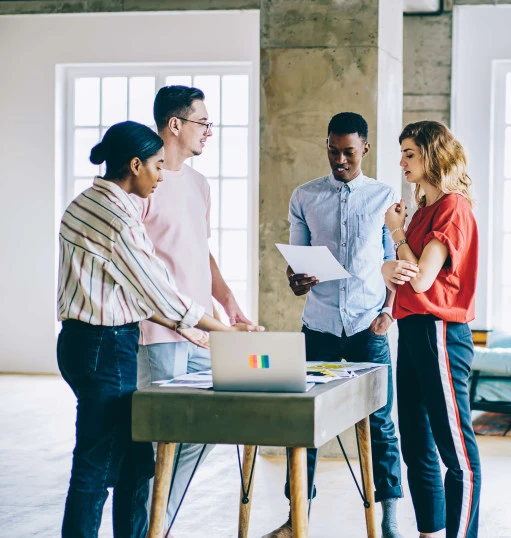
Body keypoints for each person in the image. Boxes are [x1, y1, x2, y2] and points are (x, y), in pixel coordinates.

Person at [57, 121, 262, 538]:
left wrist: (190, 329)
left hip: (83, 344)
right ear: (135, 165)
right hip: (105, 348)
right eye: (155, 165)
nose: (161, 174)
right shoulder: (120, 218)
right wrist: (221, 331)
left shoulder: (83, 203)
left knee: (134, 463)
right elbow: (160, 291)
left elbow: (133, 292)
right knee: (95, 466)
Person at [262, 112, 404, 538]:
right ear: (325, 144)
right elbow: (296, 269)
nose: (339, 159)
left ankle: (390, 518)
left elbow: (396, 261)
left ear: (364, 150)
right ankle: (296, 518)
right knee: (303, 422)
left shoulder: (384, 196)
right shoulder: (304, 196)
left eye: (349, 152)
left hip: (367, 327)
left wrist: (388, 313)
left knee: (381, 422)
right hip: (319, 326)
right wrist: (296, 280)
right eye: (333, 149)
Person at [136, 85, 254, 533]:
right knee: (160, 439)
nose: (210, 131)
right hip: (159, 334)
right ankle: (149, 527)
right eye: (204, 123)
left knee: (210, 421)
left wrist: (230, 305)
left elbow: (200, 251)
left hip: (204, 332)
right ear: (175, 125)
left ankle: (157, 523)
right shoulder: (144, 181)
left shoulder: (200, 184)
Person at [382, 120, 481, 538]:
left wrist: (396, 234)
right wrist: (390, 265)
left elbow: (421, 280)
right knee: (417, 446)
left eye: (410, 153)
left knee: (456, 452)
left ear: (432, 154)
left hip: (440, 333)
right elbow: (401, 274)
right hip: (412, 331)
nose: (402, 161)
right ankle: (429, 533)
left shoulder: (453, 207)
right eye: (401, 152)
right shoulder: (423, 210)